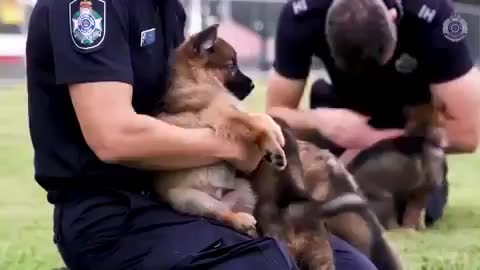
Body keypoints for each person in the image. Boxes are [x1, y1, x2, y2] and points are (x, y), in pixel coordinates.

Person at [25, 0, 300, 269]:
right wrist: (233, 147)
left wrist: (246, 127)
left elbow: (188, 104)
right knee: (264, 263)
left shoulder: (167, 8)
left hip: (170, 191)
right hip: (110, 212)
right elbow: (113, 138)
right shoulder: (91, 6)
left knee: (333, 256)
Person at [267, 0, 480, 267]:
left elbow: (467, 135)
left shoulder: (438, 18)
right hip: (340, 121)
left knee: (389, 209)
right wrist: (320, 120)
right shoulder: (302, 14)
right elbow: (275, 115)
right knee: (310, 203)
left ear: (393, 17)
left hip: (408, 138)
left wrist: (371, 140)